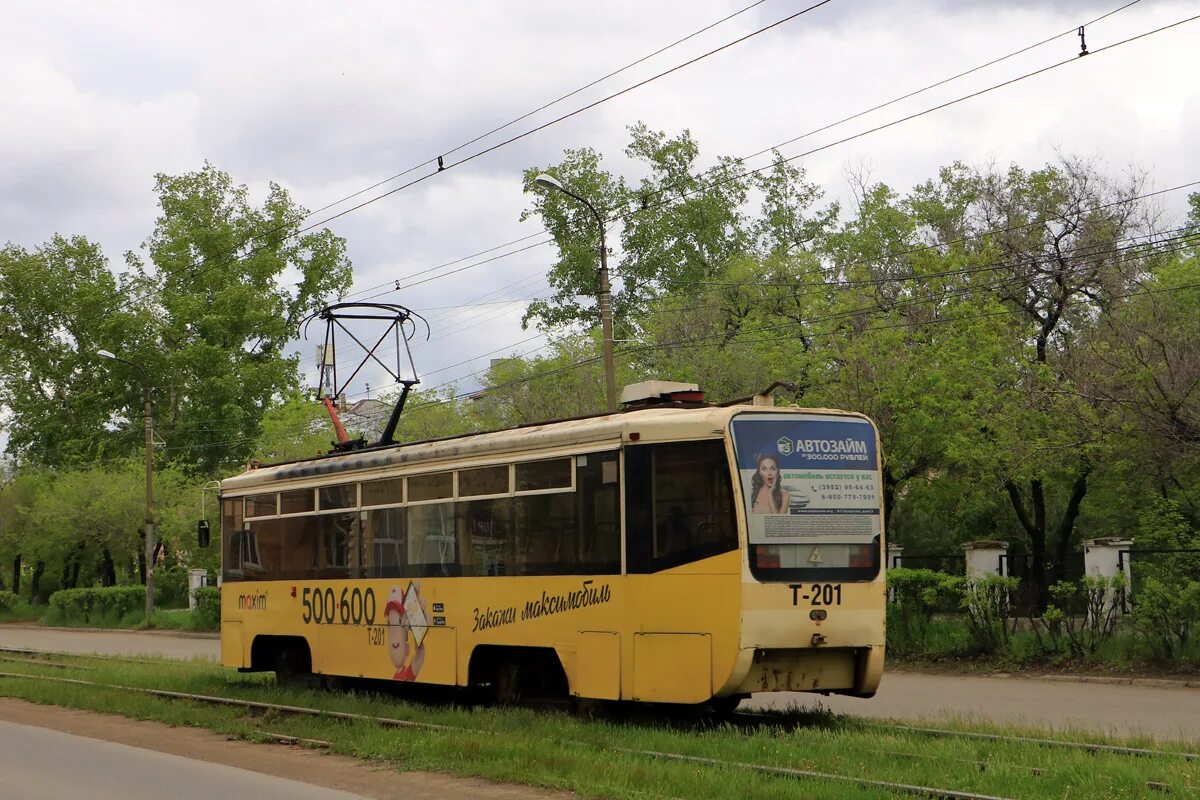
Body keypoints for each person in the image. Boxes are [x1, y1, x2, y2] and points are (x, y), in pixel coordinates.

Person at [385, 582, 426, 681]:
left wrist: (418, 630)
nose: (394, 633)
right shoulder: (395, 675)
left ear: (407, 649)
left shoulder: (407, 673)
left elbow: (419, 655)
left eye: (399, 621)